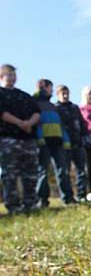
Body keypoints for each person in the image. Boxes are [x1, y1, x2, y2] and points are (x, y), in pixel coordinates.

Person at [0, 64, 40, 214]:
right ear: (2, 77)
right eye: (9, 75)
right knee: (10, 174)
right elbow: (2, 113)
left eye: (14, 75)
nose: (12, 77)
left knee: (30, 173)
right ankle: (13, 205)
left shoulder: (24, 95)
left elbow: (37, 112)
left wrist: (29, 123)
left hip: (28, 139)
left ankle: (30, 203)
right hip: (8, 139)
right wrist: (20, 123)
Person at [34, 79, 75, 207]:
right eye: (50, 87)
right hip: (44, 142)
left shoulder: (53, 106)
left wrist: (66, 139)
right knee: (43, 171)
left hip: (58, 142)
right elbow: (37, 124)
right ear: (42, 87)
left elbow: (61, 125)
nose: (51, 90)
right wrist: (40, 137)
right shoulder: (35, 104)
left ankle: (67, 198)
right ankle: (42, 200)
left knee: (62, 170)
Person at [56, 85, 88, 202]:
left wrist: (84, 137)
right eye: (62, 94)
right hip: (64, 145)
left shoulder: (74, 107)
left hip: (78, 143)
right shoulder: (56, 108)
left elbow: (81, 122)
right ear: (58, 95)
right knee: (65, 171)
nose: (65, 96)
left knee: (81, 171)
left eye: (67, 93)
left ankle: (81, 195)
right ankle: (68, 197)